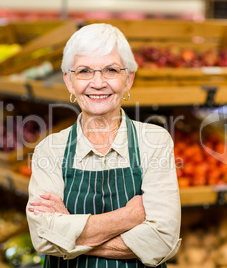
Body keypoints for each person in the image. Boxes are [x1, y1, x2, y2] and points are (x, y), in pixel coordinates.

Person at [26, 23, 181, 268]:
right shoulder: (50, 149)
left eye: (110, 70)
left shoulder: (155, 142)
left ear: (128, 79)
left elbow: (162, 241)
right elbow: (43, 238)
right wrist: (127, 217)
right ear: (69, 81)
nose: (98, 83)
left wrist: (69, 230)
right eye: (84, 71)